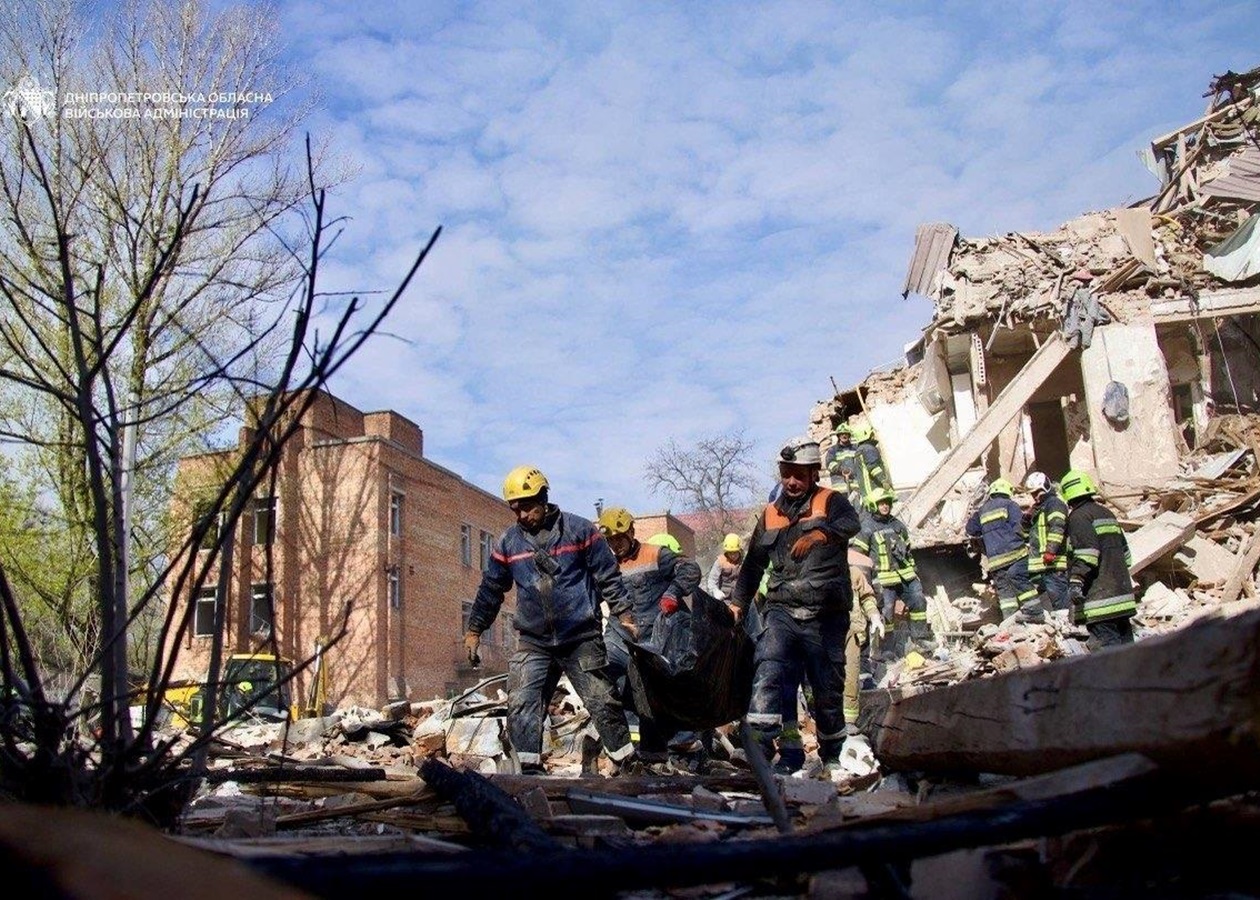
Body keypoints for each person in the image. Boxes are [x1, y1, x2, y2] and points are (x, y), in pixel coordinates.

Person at [464, 466, 639, 775]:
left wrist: (624, 614)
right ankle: (528, 772)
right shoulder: (508, 544)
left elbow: (608, 577)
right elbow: (491, 588)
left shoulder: (580, 531)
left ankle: (626, 764)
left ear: (544, 498)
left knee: (602, 701)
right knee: (522, 701)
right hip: (534, 641)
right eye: (515, 508)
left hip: (581, 637)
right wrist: (475, 629)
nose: (521, 515)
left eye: (527, 506)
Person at [730, 435, 861, 778]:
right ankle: (767, 754)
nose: (790, 480)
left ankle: (832, 754)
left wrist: (822, 535)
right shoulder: (770, 514)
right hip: (782, 610)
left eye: (798, 474)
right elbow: (753, 566)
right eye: (785, 472)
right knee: (770, 672)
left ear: (814, 473)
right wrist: (737, 604)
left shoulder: (831, 501)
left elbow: (852, 524)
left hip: (826, 614)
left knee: (826, 687)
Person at [597, 507, 702, 770]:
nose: (616, 545)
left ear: (631, 532)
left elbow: (690, 570)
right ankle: (638, 740)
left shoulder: (655, 554)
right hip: (622, 635)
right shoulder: (607, 566)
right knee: (606, 667)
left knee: (660, 685)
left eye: (619, 538)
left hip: (658, 634)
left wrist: (673, 593)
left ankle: (679, 742)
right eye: (610, 541)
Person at [1060, 469, 1138, 650]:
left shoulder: (1078, 517)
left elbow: (1087, 553)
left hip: (1100, 601)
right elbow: (1126, 555)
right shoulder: (1107, 513)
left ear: (1067, 494)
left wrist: (1076, 581)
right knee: (1128, 651)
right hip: (1121, 594)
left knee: (1108, 655)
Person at [852, 487, 931, 652]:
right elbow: (858, 556)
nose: (885, 506)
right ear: (873, 505)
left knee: (918, 600)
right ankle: (886, 650)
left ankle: (920, 639)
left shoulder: (898, 525)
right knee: (886, 611)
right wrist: (866, 581)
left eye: (887, 503)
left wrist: (914, 569)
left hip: (905, 575)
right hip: (883, 578)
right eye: (881, 503)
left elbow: (908, 550)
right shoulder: (866, 527)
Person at [966, 478, 1041, 623]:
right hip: (1016, 555)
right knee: (1022, 582)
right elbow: (1020, 527)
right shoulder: (1010, 505)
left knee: (1005, 593)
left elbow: (971, 529)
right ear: (1007, 492)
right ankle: (1035, 612)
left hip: (995, 561)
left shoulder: (982, 510)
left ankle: (1010, 621)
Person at [1024, 471, 1070, 612]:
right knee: (1048, 603)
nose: (1035, 497)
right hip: (1041, 565)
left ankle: (1066, 626)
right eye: (1032, 494)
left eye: (1037, 493)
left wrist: (1051, 550)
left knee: (1060, 602)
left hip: (1053, 564)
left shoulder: (1054, 504)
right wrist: (1026, 520)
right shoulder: (1040, 508)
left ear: (1045, 487)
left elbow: (1057, 526)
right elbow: (1029, 534)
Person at [849, 422, 893, 506]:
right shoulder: (868, 448)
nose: (874, 434)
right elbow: (873, 467)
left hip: (866, 492)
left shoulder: (859, 450)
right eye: (872, 433)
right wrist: (884, 481)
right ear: (866, 434)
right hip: (875, 491)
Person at [824, 424, 863, 508]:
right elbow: (829, 464)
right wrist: (841, 470)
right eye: (842, 434)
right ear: (838, 436)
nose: (844, 435)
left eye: (846, 434)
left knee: (857, 511)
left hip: (855, 486)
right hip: (841, 488)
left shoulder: (856, 448)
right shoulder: (833, 450)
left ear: (849, 435)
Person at [706, 533, 743, 601]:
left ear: (739, 550)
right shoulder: (720, 561)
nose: (733, 555)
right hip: (725, 598)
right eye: (730, 553)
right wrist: (715, 591)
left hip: (741, 596)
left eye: (735, 552)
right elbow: (712, 580)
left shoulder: (744, 560)